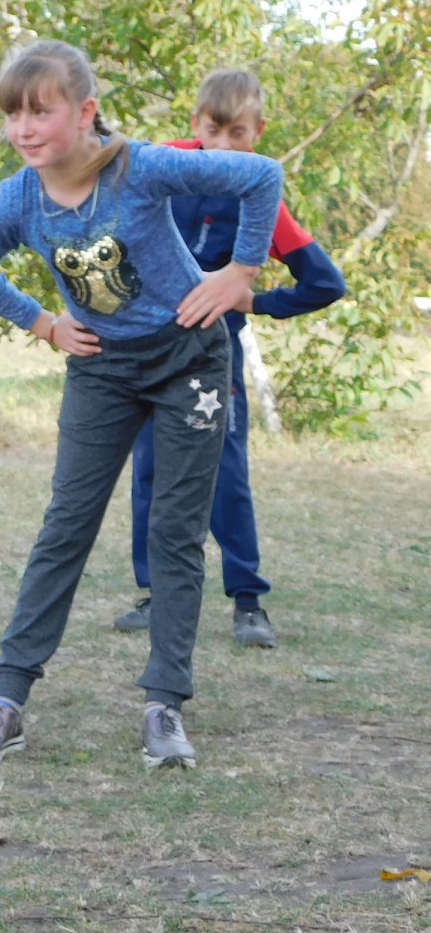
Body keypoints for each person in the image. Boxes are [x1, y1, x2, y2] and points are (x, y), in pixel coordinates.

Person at [0, 39, 282, 771]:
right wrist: (45, 324)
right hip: (102, 370)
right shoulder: (20, 198)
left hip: (189, 361)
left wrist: (240, 272)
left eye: (41, 112)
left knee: (174, 531)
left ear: (85, 112)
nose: (24, 128)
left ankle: (164, 705)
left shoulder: (142, 168)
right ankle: (7, 701)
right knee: (65, 525)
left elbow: (262, 176)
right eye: (13, 114)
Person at [114, 69, 346, 649]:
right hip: (146, 353)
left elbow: (325, 283)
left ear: (258, 132)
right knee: (150, 472)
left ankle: (248, 602)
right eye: (213, 131)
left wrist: (256, 301)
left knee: (226, 476)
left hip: (212, 363)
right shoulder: (160, 163)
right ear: (196, 123)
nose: (222, 146)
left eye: (237, 134)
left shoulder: (261, 193)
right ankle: (155, 593)